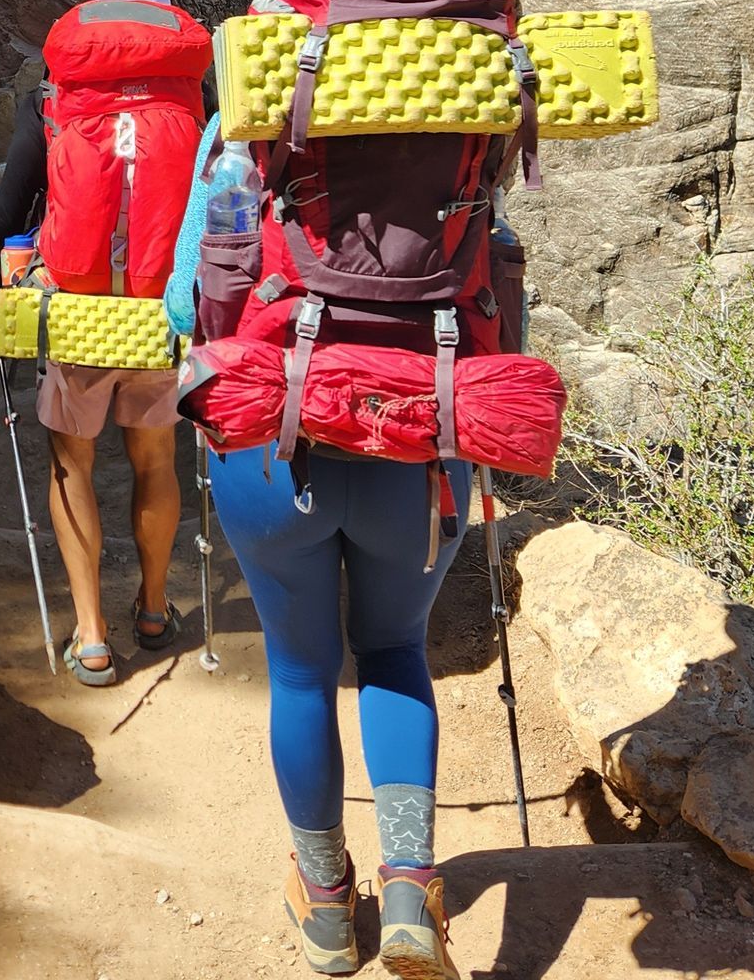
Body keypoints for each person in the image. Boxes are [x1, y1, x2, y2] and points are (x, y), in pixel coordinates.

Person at [164, 158, 471, 979]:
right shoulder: (467, 86)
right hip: (420, 432)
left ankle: (327, 902)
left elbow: (180, 300)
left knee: (301, 673)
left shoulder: (257, 94)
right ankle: (409, 890)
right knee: (397, 649)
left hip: (273, 433)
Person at [0, 0, 211, 687]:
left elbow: (11, 205)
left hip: (76, 311)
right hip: (158, 311)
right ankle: (156, 608)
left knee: (71, 465)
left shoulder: (54, 97)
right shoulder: (195, 99)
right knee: (157, 463)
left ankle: (94, 635)